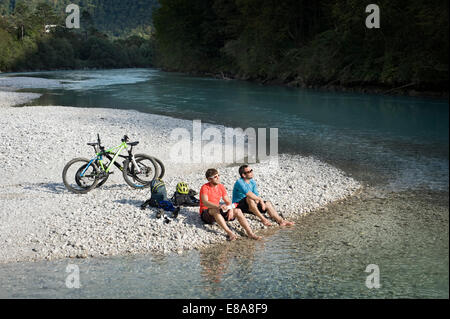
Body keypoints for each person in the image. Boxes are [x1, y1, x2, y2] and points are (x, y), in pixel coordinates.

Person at [199, 168, 262, 241]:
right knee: (215, 210)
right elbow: (205, 202)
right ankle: (230, 233)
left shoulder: (221, 186)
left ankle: (250, 233)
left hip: (218, 210)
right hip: (206, 212)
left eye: (218, 175)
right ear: (209, 179)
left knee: (238, 211)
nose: (218, 178)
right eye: (215, 177)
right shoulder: (205, 187)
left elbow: (227, 200)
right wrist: (218, 206)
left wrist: (231, 209)